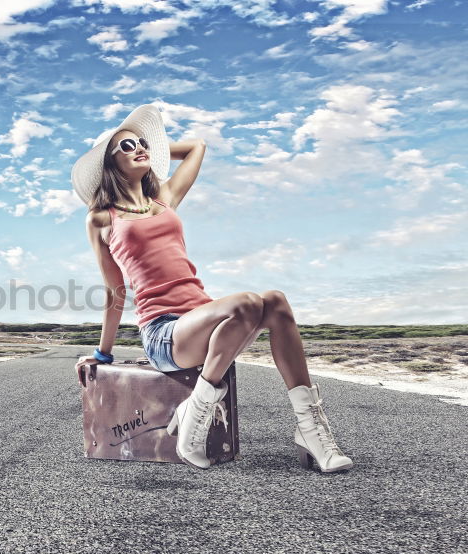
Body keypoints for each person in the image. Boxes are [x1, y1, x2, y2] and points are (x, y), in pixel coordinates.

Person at [71, 104, 353, 474]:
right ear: (110, 164)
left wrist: (154, 148)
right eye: (126, 147)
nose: (139, 148)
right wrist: (101, 355)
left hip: (210, 323)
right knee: (250, 303)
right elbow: (115, 291)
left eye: (142, 142)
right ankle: (199, 406)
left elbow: (196, 146)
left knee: (277, 303)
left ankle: (310, 430)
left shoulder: (164, 200)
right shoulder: (102, 218)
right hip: (165, 333)